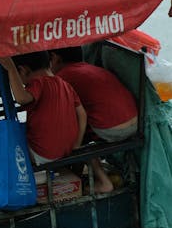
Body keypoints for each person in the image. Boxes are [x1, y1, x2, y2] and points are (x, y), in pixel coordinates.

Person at [50, 46, 138, 192]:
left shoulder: (62, 78)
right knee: (79, 127)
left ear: (55, 58)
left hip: (113, 129)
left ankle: (103, 182)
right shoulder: (90, 68)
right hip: (134, 122)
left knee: (73, 132)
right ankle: (76, 176)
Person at [0, 52, 87, 164]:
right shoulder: (65, 84)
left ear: (22, 70)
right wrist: (76, 145)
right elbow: (82, 114)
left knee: (0, 140)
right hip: (67, 151)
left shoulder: (38, 82)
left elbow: (21, 98)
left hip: (42, 154)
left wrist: (11, 69)